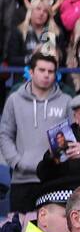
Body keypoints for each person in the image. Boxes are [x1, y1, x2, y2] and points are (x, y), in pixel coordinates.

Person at [1, 53, 72, 212]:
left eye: (51, 71)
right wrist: (17, 162)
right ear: (31, 72)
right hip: (22, 179)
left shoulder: (66, 100)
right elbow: (5, 134)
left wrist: (60, 162)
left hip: (56, 179)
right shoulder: (14, 100)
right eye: (42, 70)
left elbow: (71, 138)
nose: (46, 75)